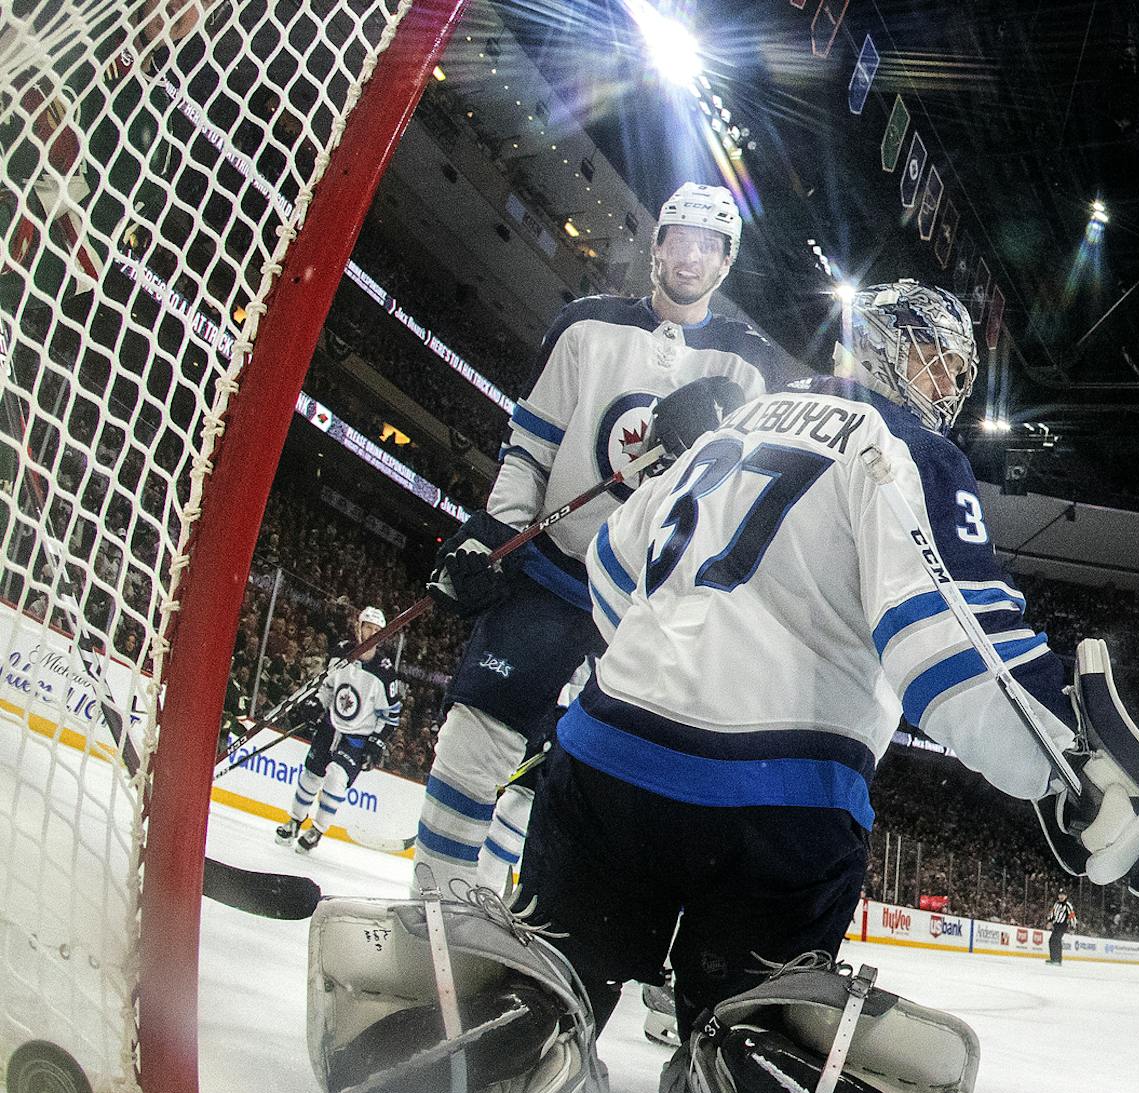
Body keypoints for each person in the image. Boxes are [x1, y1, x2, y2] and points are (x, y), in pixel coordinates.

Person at [512, 279, 1139, 1093]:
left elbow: (613, 572)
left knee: (551, 971)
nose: (950, 381)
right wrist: (1067, 769)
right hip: (773, 810)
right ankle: (731, 1044)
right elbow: (953, 647)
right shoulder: (905, 446)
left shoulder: (730, 426)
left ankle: (535, 1016)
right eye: (937, 355)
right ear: (883, 343)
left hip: (602, 764)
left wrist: (665, 674)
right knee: (748, 1021)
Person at [411, 182, 779, 894]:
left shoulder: (746, 369)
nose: (691, 256)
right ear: (658, 246)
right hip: (551, 577)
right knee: (473, 737)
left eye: (709, 245)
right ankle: (433, 910)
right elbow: (531, 451)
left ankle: (508, 918)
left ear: (725, 262)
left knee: (569, 775)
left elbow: (732, 503)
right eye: (680, 238)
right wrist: (493, 537)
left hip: (643, 613)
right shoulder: (586, 327)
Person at [278, 604, 402, 851]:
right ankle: (294, 821)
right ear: (358, 628)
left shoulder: (385, 673)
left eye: (377, 630)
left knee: (336, 778)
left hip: (356, 737)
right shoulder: (342, 653)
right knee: (311, 775)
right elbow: (328, 687)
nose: (372, 634)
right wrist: (316, 703)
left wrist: (376, 744)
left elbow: (392, 715)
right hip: (330, 726)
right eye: (368, 628)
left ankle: (317, 831)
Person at [1047, 892, 1077, 965]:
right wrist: (1050, 921)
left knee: (1056, 940)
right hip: (1056, 925)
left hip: (1063, 925)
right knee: (1051, 940)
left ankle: (1057, 959)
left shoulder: (1068, 905)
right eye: (1060, 895)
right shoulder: (1056, 904)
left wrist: (1073, 927)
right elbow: (1052, 913)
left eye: (1063, 895)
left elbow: (1072, 916)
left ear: (1066, 896)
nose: (1061, 896)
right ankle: (1053, 959)